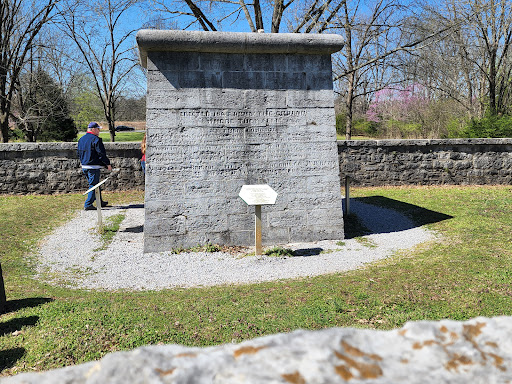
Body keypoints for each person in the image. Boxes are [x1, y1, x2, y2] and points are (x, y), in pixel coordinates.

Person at [77, 122, 112, 210]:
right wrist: (107, 164)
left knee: (95, 184)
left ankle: (100, 202)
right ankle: (88, 204)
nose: (99, 131)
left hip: (84, 165)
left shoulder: (81, 139)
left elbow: (78, 153)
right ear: (93, 129)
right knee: (93, 185)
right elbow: (101, 153)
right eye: (98, 129)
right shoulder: (96, 140)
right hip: (93, 166)